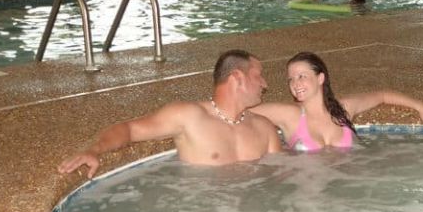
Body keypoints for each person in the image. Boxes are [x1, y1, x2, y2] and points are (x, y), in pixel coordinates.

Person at [58, 50, 282, 178]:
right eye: (258, 75)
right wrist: (94, 150)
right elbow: (128, 129)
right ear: (237, 77)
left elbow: (284, 178)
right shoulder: (189, 117)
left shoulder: (264, 128)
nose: (265, 83)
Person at [250, 52, 423, 152]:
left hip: (349, 189)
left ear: (320, 78)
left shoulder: (343, 110)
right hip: (308, 198)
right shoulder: (289, 114)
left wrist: (420, 106)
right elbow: (237, 110)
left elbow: (382, 95)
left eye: (301, 76)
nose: (295, 83)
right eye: (290, 79)